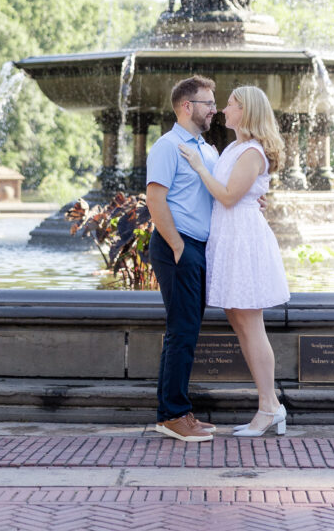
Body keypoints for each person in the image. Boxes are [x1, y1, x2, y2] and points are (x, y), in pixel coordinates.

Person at [179, 85, 290, 437]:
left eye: (231, 104)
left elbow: (227, 197)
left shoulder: (252, 151)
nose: (224, 110)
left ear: (247, 111)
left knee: (250, 324)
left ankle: (270, 407)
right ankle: (269, 405)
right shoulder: (237, 147)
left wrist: (198, 164)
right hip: (231, 237)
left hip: (243, 240)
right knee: (240, 323)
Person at [146, 75, 220, 443]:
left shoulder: (207, 150)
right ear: (187, 106)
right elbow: (155, 201)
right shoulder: (168, 146)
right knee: (182, 331)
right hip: (178, 246)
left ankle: (176, 411)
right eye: (208, 102)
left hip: (198, 248)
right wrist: (178, 248)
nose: (215, 109)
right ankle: (172, 414)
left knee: (187, 331)